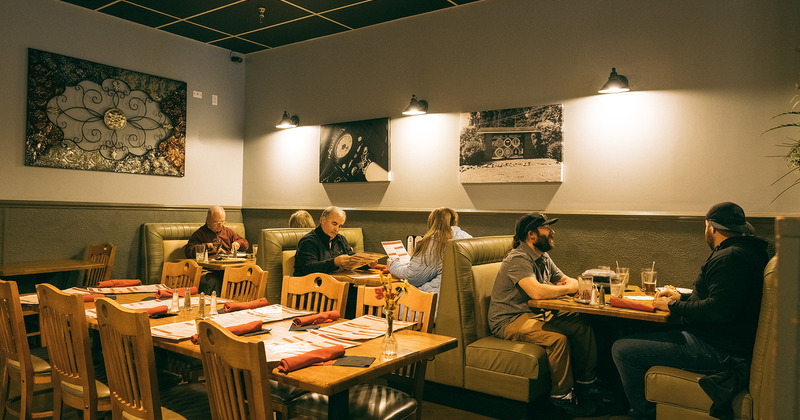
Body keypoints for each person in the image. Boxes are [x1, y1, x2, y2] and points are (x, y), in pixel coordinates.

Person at [611, 202, 770, 419]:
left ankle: (644, 414)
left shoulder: (730, 257)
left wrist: (673, 305)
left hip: (719, 350)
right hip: (725, 342)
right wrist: (682, 297)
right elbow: (723, 299)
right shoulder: (746, 251)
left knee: (622, 349)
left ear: (711, 227)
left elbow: (719, 310)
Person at [487, 212, 604, 417]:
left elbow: (570, 281)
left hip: (533, 315)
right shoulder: (518, 258)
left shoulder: (543, 256)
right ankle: (561, 396)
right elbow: (537, 292)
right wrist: (566, 288)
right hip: (508, 320)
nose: (552, 231)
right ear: (531, 235)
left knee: (580, 325)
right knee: (557, 339)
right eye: (546, 228)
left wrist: (568, 286)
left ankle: (587, 383)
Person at [387, 207, 471, 294]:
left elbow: (412, 277)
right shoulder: (468, 238)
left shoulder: (435, 242)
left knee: (389, 297)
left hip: (434, 300)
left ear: (432, 223)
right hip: (459, 297)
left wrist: (392, 264)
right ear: (454, 221)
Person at [184, 206, 249, 293]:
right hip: (209, 270)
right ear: (208, 220)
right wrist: (207, 246)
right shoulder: (200, 234)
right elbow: (189, 250)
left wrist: (238, 243)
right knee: (214, 282)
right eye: (217, 222)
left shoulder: (228, 232)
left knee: (247, 279)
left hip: (228, 269)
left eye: (222, 222)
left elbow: (245, 244)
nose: (220, 225)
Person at [293, 206, 356, 276]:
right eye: (334, 224)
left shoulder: (340, 239)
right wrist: (334, 263)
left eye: (340, 226)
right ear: (323, 220)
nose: (337, 229)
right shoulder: (308, 241)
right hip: (313, 284)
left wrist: (367, 263)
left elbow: (352, 258)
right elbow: (308, 268)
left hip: (338, 282)